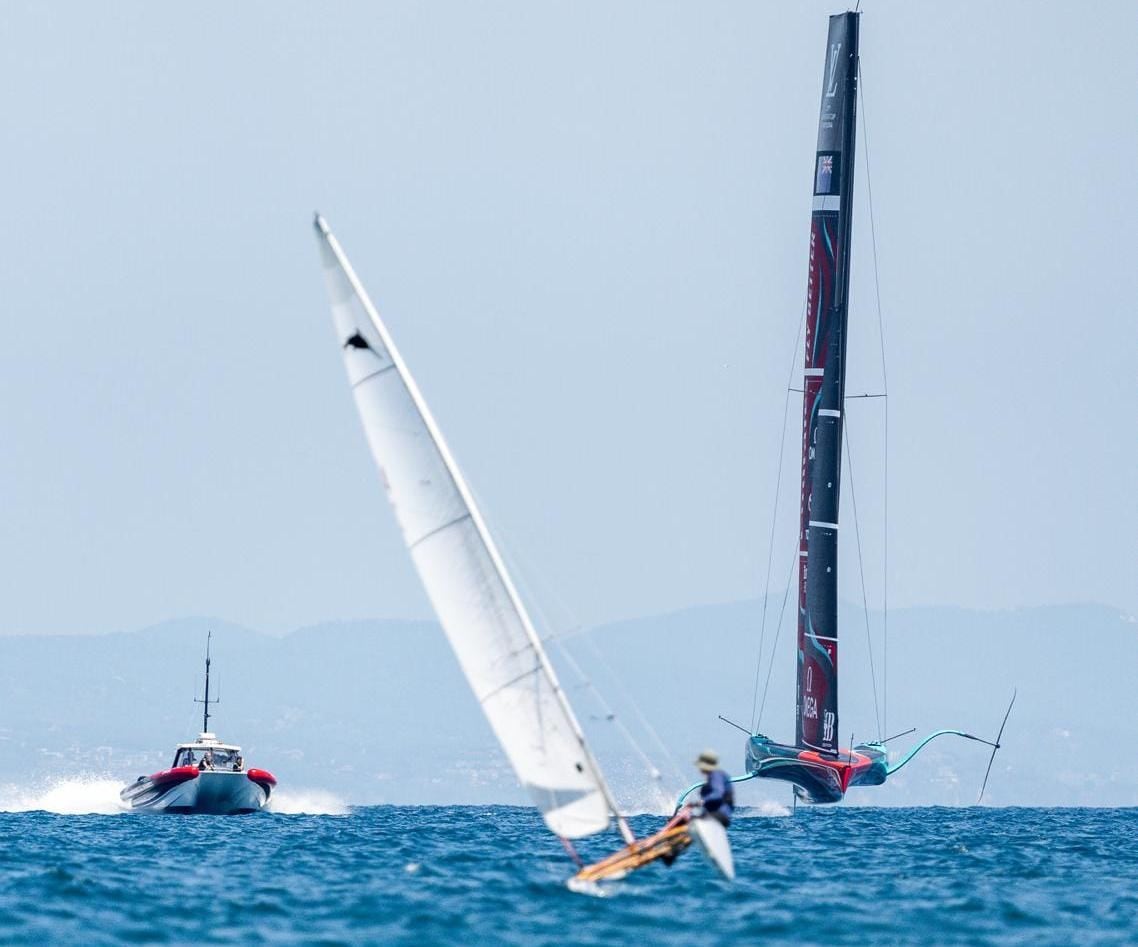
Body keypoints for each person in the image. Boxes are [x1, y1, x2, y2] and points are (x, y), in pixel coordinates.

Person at [688, 749, 734, 828]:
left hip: (719, 815)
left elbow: (718, 794)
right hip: (716, 815)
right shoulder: (716, 775)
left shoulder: (716, 775)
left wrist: (702, 801)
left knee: (687, 820)